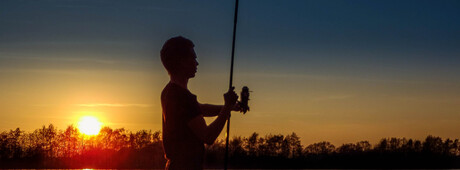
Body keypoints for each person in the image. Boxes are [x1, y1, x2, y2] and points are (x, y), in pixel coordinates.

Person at [160, 36, 239, 169]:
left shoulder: (169, 92)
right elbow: (208, 136)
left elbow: (198, 109)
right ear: (181, 61)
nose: (197, 63)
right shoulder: (183, 97)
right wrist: (226, 109)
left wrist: (230, 107)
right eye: (193, 58)